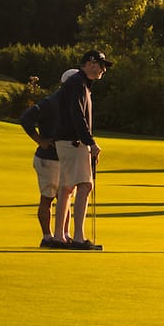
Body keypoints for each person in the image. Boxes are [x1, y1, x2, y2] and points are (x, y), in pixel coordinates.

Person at [51, 50, 111, 252]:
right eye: (102, 65)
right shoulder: (78, 84)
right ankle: (78, 237)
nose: (103, 70)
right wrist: (90, 143)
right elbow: (77, 115)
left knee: (67, 188)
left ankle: (59, 236)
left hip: (67, 141)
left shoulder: (79, 83)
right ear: (91, 63)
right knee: (84, 185)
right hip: (73, 142)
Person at [17, 78, 66, 247]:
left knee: (64, 199)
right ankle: (47, 237)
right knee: (48, 199)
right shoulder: (51, 102)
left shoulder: (74, 102)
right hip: (48, 158)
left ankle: (63, 235)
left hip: (66, 159)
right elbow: (26, 118)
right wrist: (41, 141)